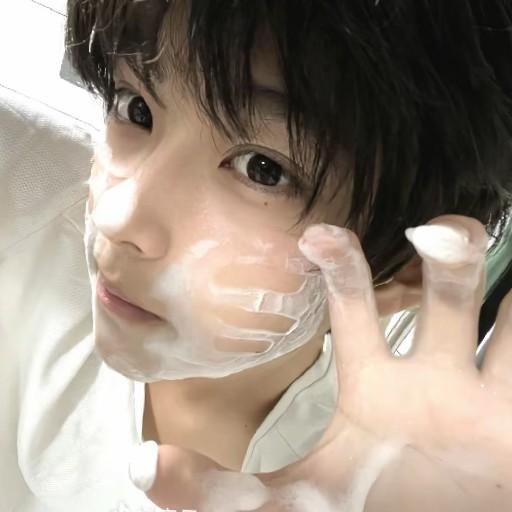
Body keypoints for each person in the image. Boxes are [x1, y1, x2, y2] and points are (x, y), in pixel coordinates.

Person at [2, 0, 511, 510]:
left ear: (401, 272)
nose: (118, 218)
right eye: (136, 107)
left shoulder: (373, 486)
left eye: (262, 169)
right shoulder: (18, 187)